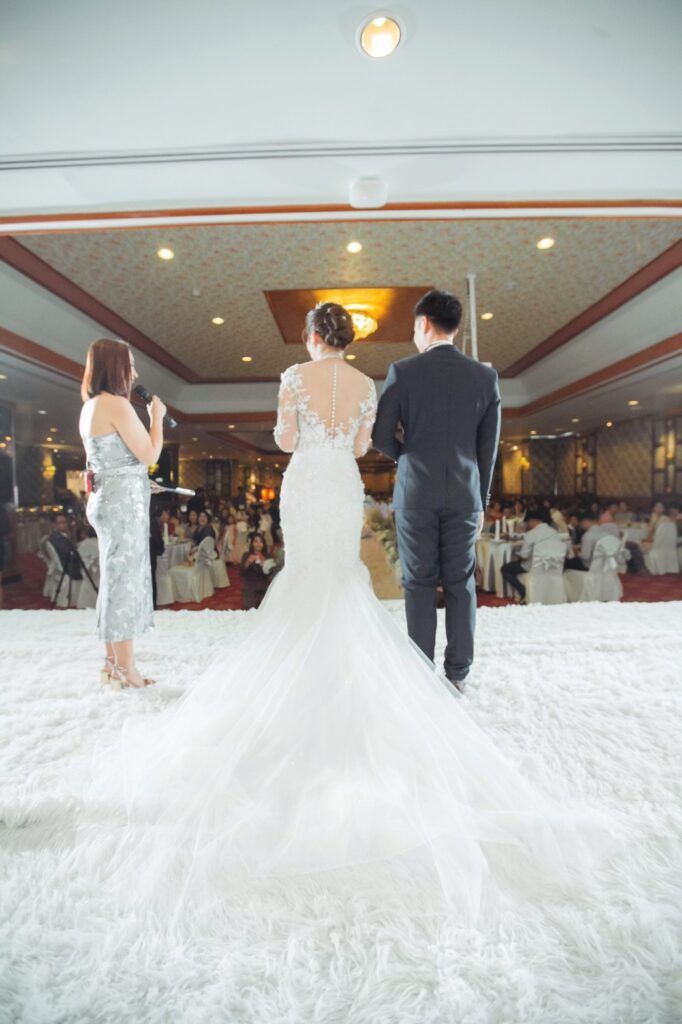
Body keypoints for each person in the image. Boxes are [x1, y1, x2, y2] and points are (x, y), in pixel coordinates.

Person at [71, 301, 617, 936]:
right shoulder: (366, 382)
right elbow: (365, 445)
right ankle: (396, 673)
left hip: (306, 480)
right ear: (348, 338)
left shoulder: (293, 377)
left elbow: (284, 441)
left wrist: (301, 425)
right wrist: (341, 435)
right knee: (341, 576)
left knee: (305, 574)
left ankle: (290, 682)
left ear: (311, 336)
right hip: (342, 483)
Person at [372, 288, 501, 687]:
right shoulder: (485, 376)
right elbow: (488, 450)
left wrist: (409, 455)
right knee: (461, 583)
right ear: (455, 328)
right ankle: (458, 672)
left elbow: (381, 436)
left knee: (419, 583)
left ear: (424, 323)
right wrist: (481, 501)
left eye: (415, 327)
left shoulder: (403, 371)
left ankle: (420, 672)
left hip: (416, 494)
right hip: (465, 495)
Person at [79, 338, 165, 689]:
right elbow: (150, 454)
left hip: (107, 500)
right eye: (130, 365)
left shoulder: (90, 406)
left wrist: (139, 482)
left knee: (113, 580)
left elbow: (108, 460)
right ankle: (127, 669)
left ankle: (112, 663)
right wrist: (156, 419)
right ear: (115, 367)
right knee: (124, 583)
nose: (134, 373)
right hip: (121, 507)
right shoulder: (117, 404)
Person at [500, 507, 564, 601]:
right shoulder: (555, 533)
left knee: (505, 569)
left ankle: (522, 590)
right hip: (554, 564)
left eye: (528, 522)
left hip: (533, 566)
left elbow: (524, 556)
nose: (528, 524)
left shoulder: (531, 534)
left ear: (534, 521)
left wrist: (517, 554)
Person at [47, 512, 82, 588]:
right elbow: (70, 554)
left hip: (66, 564)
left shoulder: (56, 536)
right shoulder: (59, 539)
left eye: (65, 522)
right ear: (54, 524)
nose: (64, 525)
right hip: (70, 567)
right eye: (60, 523)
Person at [239, 533, 271, 610]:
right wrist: (248, 562)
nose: (258, 544)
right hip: (250, 585)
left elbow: (270, 574)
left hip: (263, 585)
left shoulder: (268, 556)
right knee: (251, 609)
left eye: (261, 542)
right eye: (255, 541)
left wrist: (265, 564)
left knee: (266, 608)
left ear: (264, 544)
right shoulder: (246, 555)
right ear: (252, 543)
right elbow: (241, 573)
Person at [149, 502, 167, 610]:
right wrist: (161, 549)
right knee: (151, 578)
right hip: (150, 553)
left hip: (145, 552)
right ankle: (152, 605)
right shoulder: (151, 520)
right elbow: (157, 538)